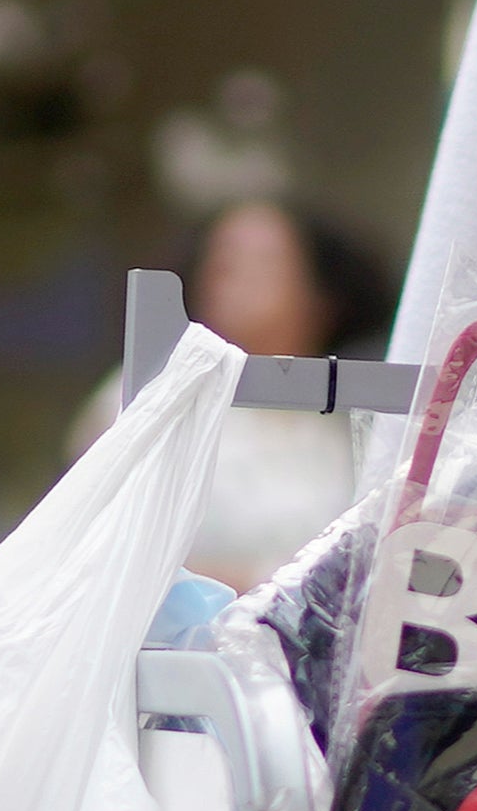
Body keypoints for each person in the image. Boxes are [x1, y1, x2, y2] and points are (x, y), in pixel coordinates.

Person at [68, 194, 393, 587]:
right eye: (222, 263)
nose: (233, 280)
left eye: (263, 263)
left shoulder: (356, 417)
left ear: (319, 297)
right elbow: (100, 549)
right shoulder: (145, 393)